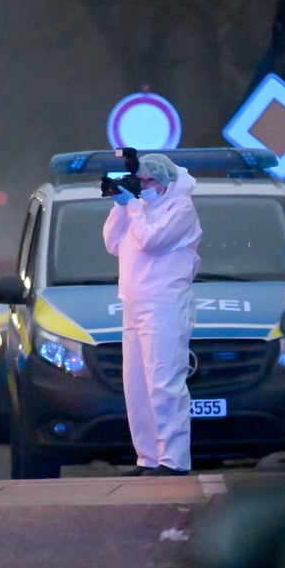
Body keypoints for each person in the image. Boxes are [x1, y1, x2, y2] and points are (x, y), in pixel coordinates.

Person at [102, 153, 202, 476]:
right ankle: (148, 457)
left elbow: (151, 242)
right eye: (139, 181)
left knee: (164, 382)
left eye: (145, 181)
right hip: (133, 304)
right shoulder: (139, 209)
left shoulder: (181, 209)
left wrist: (132, 206)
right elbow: (111, 243)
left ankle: (173, 460)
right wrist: (120, 204)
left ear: (163, 183)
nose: (140, 187)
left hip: (165, 305)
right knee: (137, 386)